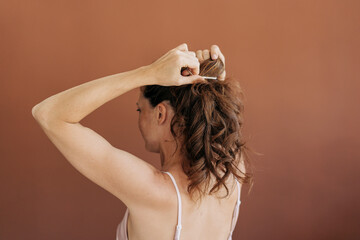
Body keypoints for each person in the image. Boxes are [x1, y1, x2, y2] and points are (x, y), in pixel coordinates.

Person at [32, 43, 253, 240]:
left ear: (160, 114)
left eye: (140, 109)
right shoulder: (232, 172)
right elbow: (218, 122)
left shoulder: (152, 191)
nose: (138, 118)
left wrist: (149, 73)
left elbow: (48, 113)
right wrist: (212, 79)